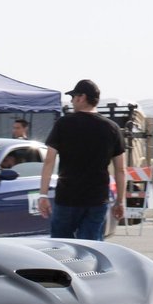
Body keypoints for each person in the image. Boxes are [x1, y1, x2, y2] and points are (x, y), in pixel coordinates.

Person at [39, 79, 126, 240]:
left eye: (73, 96)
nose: (71, 101)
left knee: (61, 247)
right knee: (91, 248)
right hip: (97, 198)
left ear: (81, 97)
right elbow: (120, 169)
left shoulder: (63, 124)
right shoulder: (112, 128)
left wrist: (43, 195)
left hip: (67, 197)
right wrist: (120, 201)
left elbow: (49, 161)